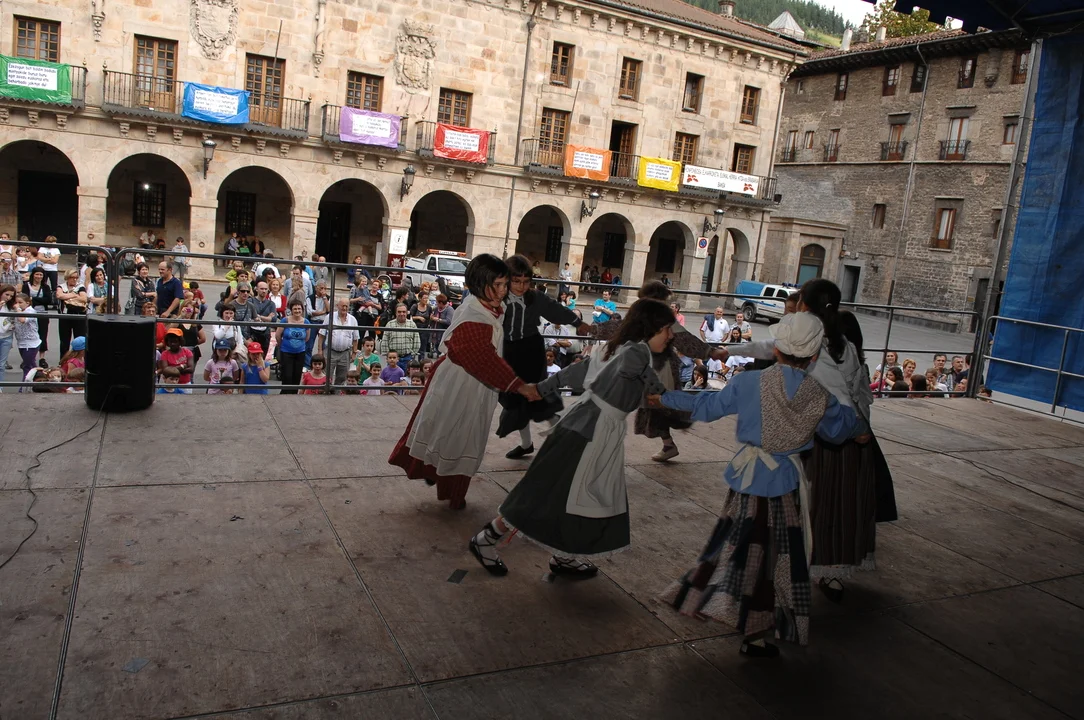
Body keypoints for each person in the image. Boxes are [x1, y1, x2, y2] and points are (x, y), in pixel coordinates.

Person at [654, 312, 858, 657]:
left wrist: (664, 398)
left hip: (748, 481)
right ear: (813, 356)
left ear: (777, 349)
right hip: (786, 485)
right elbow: (839, 430)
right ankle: (757, 629)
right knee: (776, 558)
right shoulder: (818, 394)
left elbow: (708, 406)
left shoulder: (749, 383)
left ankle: (728, 610)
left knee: (740, 550)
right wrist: (857, 424)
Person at [467, 300, 674, 577]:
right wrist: (668, 396)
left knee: (573, 494)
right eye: (666, 329)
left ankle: (564, 556)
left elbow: (578, 371)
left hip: (589, 427)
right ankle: (486, 539)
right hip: (588, 432)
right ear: (650, 328)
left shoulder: (618, 348)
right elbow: (639, 374)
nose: (670, 335)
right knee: (546, 492)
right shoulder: (635, 352)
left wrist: (540, 388)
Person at [389, 254, 539, 511]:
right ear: (481, 285)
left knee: (453, 435)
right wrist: (519, 385)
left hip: (474, 385)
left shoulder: (486, 304)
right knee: (459, 437)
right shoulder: (474, 315)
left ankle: (441, 479)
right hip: (460, 384)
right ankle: (452, 492)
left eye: (505, 284)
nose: (504, 291)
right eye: (499, 285)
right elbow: (483, 359)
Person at [799, 279, 894, 602]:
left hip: (822, 435)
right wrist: (861, 425)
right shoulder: (846, 346)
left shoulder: (809, 345)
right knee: (842, 502)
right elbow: (861, 394)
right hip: (849, 434)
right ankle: (831, 570)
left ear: (805, 306)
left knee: (819, 501)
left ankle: (816, 566)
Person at [497, 255, 586, 459]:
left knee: (539, 396)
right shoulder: (499, 296)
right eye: (516, 281)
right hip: (509, 352)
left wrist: (578, 323)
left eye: (526, 281)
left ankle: (562, 436)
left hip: (531, 352)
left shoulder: (535, 298)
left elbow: (556, 310)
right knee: (515, 400)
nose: (521, 286)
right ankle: (526, 444)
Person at [318, 298, 359, 387]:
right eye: (342, 306)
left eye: (346, 306)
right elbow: (321, 334)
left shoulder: (353, 320)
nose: (344, 308)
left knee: (342, 378)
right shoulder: (329, 317)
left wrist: (354, 353)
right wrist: (320, 351)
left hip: (345, 353)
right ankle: (326, 393)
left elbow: (355, 338)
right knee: (326, 376)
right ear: (337, 306)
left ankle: (337, 394)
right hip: (330, 351)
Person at [276, 299, 311, 394]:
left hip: (300, 353)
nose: (297, 311)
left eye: (299, 309)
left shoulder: (306, 322)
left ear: (302, 310)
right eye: (295, 309)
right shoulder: (285, 320)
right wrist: (282, 345)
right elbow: (278, 335)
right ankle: (285, 395)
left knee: (297, 376)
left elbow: (307, 338)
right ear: (291, 310)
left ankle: (294, 396)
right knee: (287, 376)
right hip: (286, 352)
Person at [22, 268, 52, 359]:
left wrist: (33, 299)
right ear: (33, 275)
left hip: (42, 313)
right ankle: (29, 357)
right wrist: (39, 300)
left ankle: (42, 357)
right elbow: (25, 299)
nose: (38, 277)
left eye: (40, 275)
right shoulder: (26, 285)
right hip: (29, 313)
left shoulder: (46, 287)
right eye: (37, 274)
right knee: (29, 335)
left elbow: (48, 300)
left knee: (42, 335)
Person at [55, 270, 87, 357]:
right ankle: (63, 360)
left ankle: (79, 359)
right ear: (67, 278)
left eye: (76, 277)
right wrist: (75, 295)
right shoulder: (61, 286)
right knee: (64, 341)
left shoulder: (80, 287)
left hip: (78, 315)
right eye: (72, 277)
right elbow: (59, 295)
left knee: (80, 339)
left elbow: (84, 298)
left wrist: (68, 296)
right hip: (65, 316)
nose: (74, 279)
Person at [380, 304, 421, 371]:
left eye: (404, 312)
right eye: (399, 312)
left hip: (408, 358)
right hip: (393, 359)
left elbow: (417, 341)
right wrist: (389, 356)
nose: (401, 314)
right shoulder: (389, 324)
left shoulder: (412, 325)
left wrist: (412, 354)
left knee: (407, 377)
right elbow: (385, 341)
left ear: (407, 313)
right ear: (396, 313)